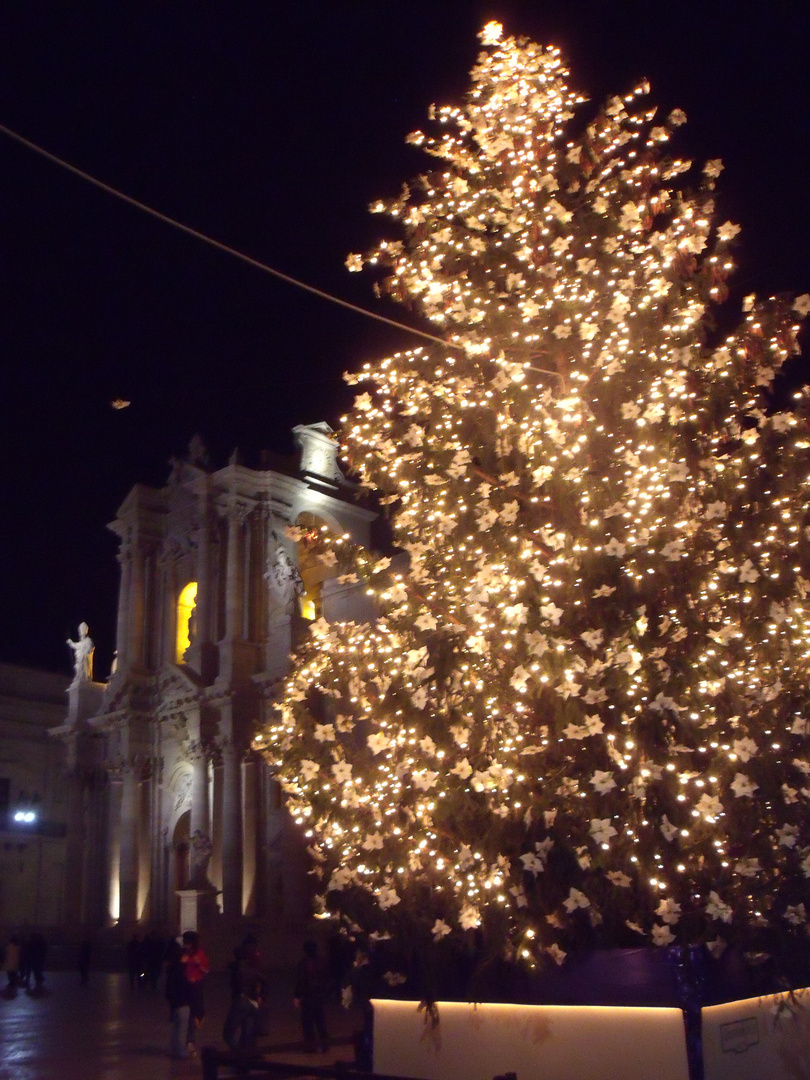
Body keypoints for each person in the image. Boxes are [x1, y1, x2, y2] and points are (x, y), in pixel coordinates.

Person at [294, 940, 329, 1053]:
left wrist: (297, 996)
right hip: (318, 996)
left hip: (308, 996)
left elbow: (300, 981)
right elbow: (326, 979)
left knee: (308, 1022)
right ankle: (324, 1044)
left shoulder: (304, 963)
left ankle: (311, 1046)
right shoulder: (322, 962)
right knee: (320, 1021)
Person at [181, 930, 209, 1056]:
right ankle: (190, 1041)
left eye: (187, 943)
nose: (186, 945)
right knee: (191, 1014)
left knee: (200, 1011)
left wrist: (198, 965)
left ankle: (191, 1037)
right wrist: (182, 963)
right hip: (186, 987)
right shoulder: (183, 954)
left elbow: (206, 971)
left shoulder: (200, 953)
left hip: (198, 985)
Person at [223, 973, 263, 1055]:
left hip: (244, 1000)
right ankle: (247, 1054)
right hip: (253, 1003)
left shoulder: (243, 969)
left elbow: (238, 984)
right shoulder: (256, 969)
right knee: (247, 1032)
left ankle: (242, 1055)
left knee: (228, 1033)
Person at [165, 938, 192, 1060]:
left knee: (176, 1027)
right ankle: (181, 1050)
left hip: (175, 1003)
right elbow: (183, 986)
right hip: (182, 1002)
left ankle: (173, 1048)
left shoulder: (172, 970)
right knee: (182, 1028)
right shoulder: (180, 970)